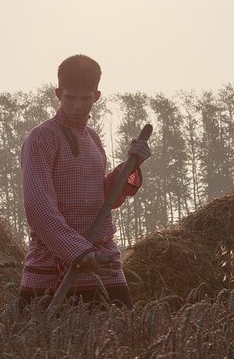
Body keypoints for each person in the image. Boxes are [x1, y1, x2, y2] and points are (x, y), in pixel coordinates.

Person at [18, 54, 151, 308]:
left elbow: (103, 199)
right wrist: (76, 250)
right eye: (71, 98)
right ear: (58, 93)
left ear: (97, 97)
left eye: (86, 99)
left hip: (103, 265)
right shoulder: (41, 138)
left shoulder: (94, 139)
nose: (78, 106)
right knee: (44, 344)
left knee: (126, 341)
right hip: (52, 270)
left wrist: (130, 166)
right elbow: (38, 206)